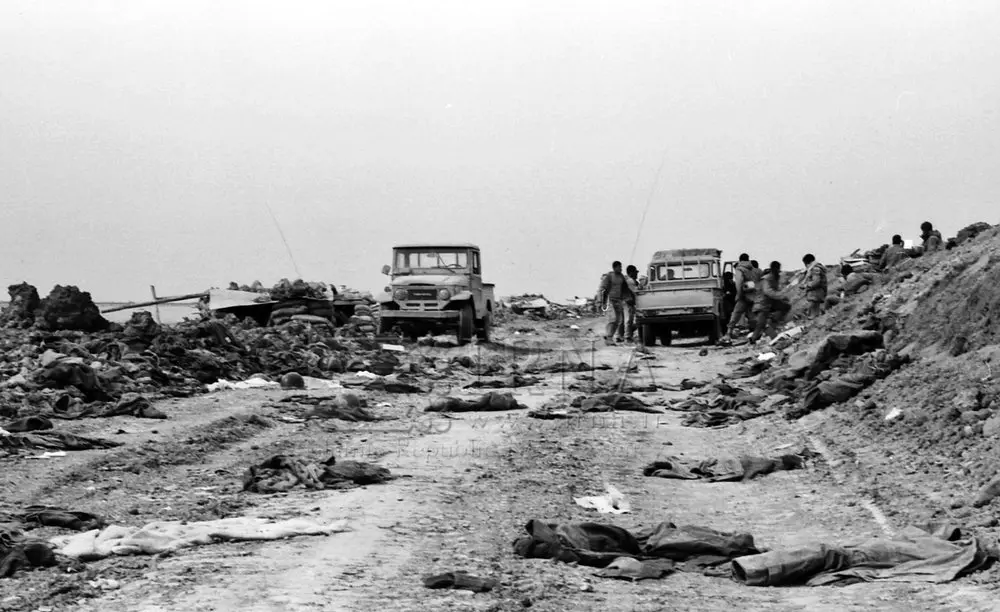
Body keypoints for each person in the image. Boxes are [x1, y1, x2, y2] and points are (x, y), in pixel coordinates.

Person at [751, 261, 791, 343]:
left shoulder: (774, 278)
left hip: (770, 302)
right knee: (761, 323)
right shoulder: (766, 279)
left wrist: (782, 296)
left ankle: (773, 322)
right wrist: (780, 296)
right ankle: (753, 338)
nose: (778, 271)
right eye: (777, 269)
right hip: (762, 303)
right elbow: (768, 291)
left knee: (785, 307)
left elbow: (775, 290)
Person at [722, 254, 758, 342]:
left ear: (740, 260)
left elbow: (739, 283)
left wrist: (739, 295)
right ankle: (756, 334)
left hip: (743, 296)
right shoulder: (753, 269)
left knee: (735, 315)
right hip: (752, 296)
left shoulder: (739, 269)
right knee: (752, 316)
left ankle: (728, 334)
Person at [599, 261, 633, 344]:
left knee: (619, 320)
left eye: (621, 267)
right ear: (614, 268)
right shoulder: (610, 276)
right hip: (610, 299)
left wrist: (628, 298)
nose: (621, 269)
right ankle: (609, 337)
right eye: (619, 267)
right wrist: (601, 301)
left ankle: (609, 336)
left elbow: (625, 289)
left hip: (618, 300)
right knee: (613, 318)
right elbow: (602, 288)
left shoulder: (621, 277)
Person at [618, 265, 641, 342]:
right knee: (628, 320)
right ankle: (627, 337)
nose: (636, 274)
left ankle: (619, 336)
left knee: (622, 320)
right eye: (635, 272)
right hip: (628, 302)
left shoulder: (625, 279)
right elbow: (636, 292)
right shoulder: (630, 281)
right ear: (631, 272)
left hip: (621, 301)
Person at [801, 254, 827, 319]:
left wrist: (806, 285)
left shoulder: (815, 269)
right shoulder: (816, 268)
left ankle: (812, 317)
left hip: (816, 293)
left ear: (807, 263)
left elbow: (816, 282)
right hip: (818, 292)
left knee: (812, 309)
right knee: (815, 310)